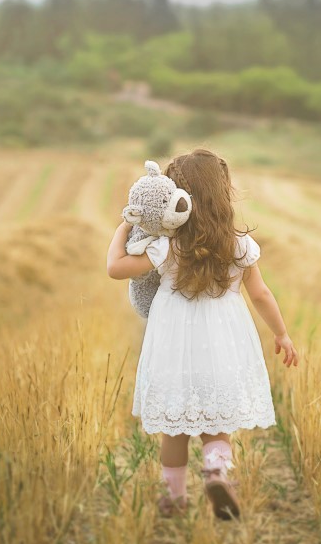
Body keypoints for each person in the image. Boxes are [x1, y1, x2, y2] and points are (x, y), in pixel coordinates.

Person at [106, 148, 298, 520]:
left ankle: (174, 497)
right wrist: (282, 334)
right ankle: (216, 471)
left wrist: (122, 230)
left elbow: (116, 268)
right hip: (222, 339)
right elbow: (260, 294)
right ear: (222, 195)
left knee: (174, 429)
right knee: (217, 422)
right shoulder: (239, 245)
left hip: (173, 340)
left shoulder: (167, 245)